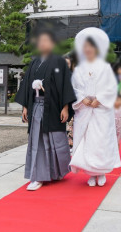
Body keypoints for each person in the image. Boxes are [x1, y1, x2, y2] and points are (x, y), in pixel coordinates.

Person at [15, 30, 76, 191]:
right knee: (38, 142)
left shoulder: (59, 62)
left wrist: (65, 107)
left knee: (55, 141)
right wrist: (25, 106)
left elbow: (65, 85)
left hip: (53, 107)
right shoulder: (35, 63)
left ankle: (56, 172)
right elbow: (26, 85)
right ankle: (39, 176)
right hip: (36, 107)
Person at [70, 27, 121, 187]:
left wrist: (99, 99)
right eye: (85, 47)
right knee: (87, 143)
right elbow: (74, 88)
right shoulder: (78, 69)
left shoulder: (105, 67)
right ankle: (90, 174)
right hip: (85, 110)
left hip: (101, 111)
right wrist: (82, 99)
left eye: (91, 47)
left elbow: (111, 88)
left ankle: (101, 172)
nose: (88, 49)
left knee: (101, 142)